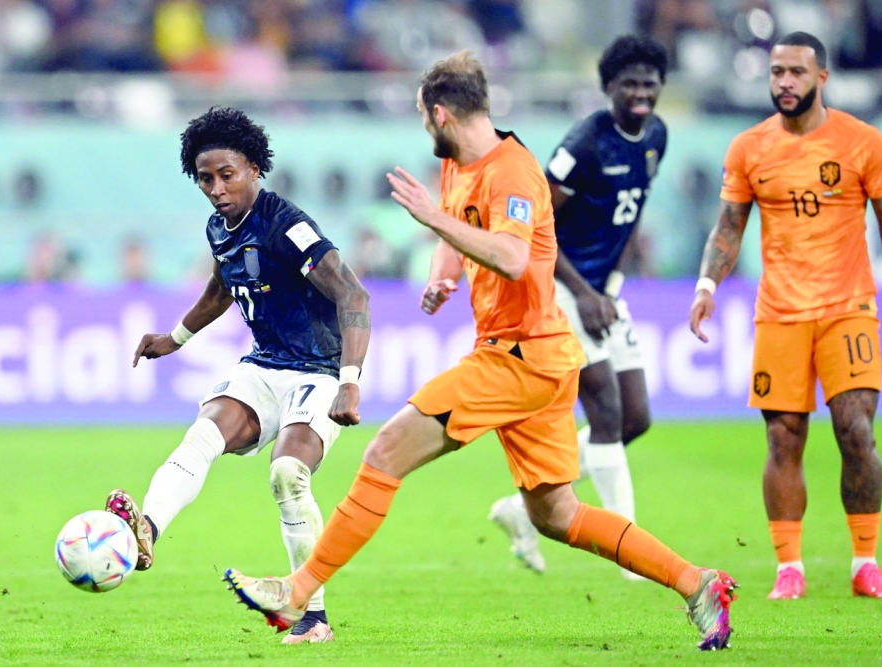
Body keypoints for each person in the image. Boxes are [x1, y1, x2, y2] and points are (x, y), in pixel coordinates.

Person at [224, 51, 738, 652]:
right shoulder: (459, 164)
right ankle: (698, 583)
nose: (424, 129)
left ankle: (299, 591)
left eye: (423, 119)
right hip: (537, 360)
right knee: (557, 515)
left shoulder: (514, 173)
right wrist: (445, 272)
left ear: (441, 113)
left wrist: (433, 220)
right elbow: (458, 232)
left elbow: (515, 257)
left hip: (518, 356)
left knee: (386, 450)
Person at [106, 106, 370, 643]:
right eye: (206, 178)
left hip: (318, 373)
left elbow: (352, 293)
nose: (217, 188)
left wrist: (349, 379)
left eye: (228, 175)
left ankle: (313, 616)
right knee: (202, 434)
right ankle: (146, 533)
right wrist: (173, 339)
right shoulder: (219, 227)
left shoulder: (286, 226)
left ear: (254, 168)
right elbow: (222, 288)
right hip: (264, 365)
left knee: (287, 475)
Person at [689, 33, 882, 601]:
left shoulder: (860, 141)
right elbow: (728, 226)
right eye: (776, 72)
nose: (784, 83)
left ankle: (865, 563)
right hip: (780, 313)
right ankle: (788, 568)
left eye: (796, 72)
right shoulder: (749, 148)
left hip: (848, 309)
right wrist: (706, 285)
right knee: (782, 439)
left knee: (856, 432)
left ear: (822, 77)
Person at [487, 35, 667, 579]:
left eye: (649, 83)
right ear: (608, 87)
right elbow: (537, 226)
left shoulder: (657, 136)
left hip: (599, 290)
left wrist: (608, 284)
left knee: (635, 417)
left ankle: (521, 508)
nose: (640, 93)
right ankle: (631, 553)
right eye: (629, 83)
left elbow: (631, 214)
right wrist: (584, 293)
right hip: (558, 288)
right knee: (606, 409)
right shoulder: (584, 145)